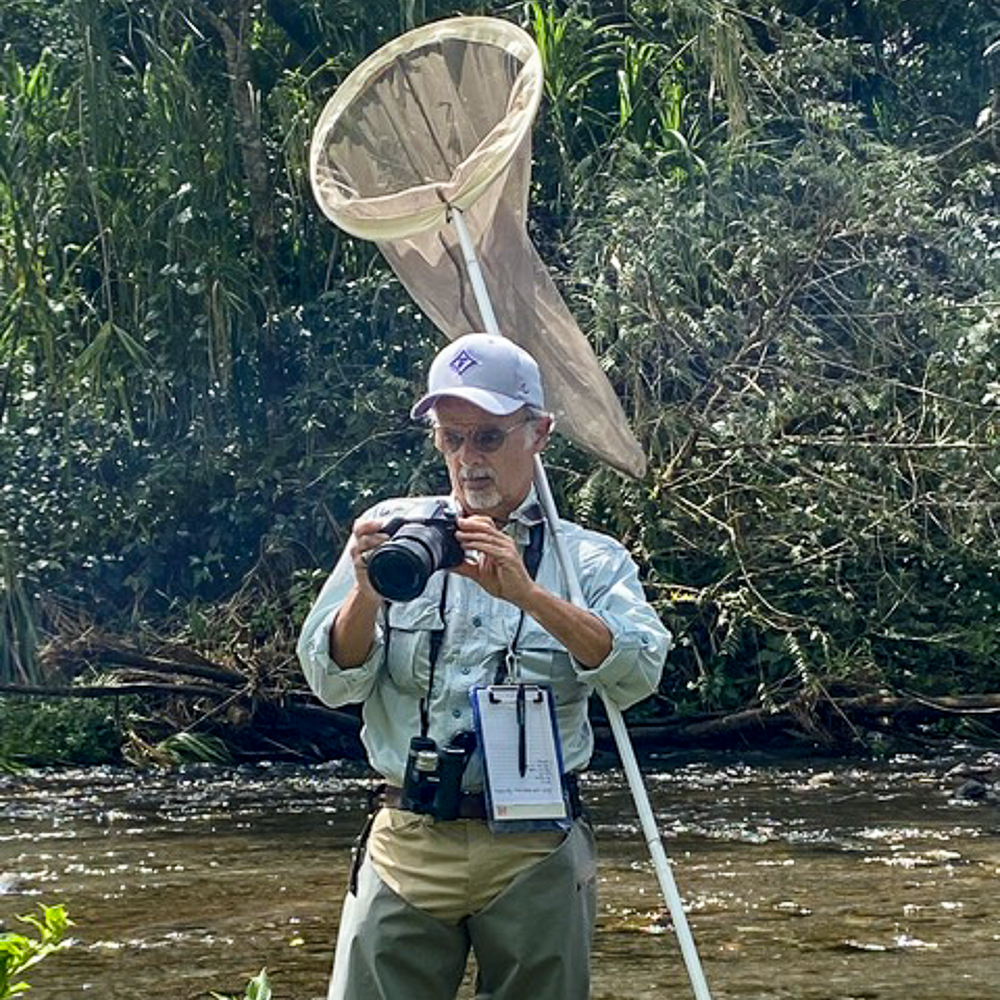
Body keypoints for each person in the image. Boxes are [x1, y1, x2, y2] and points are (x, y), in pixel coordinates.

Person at [297, 332, 670, 1000]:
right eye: (451, 438)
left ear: (540, 433)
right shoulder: (390, 533)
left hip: (535, 847)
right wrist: (364, 593)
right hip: (407, 838)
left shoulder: (589, 559)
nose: (468, 459)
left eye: (489, 438)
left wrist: (530, 597)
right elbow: (331, 680)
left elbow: (638, 673)